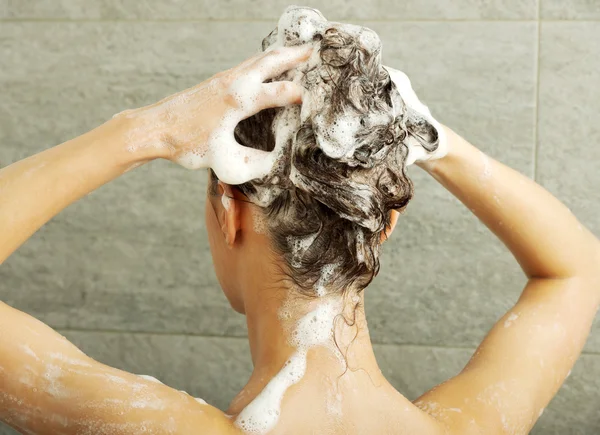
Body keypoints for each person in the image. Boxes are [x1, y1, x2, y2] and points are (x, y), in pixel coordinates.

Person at [1, 8, 599, 435]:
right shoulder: (478, 422)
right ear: (384, 223)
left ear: (228, 213)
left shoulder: (158, 427)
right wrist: (434, 141)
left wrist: (142, 131)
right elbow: (575, 269)